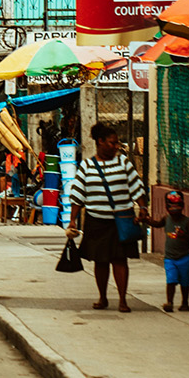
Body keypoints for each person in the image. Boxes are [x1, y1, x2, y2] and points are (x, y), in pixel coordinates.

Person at [70, 121, 147, 312]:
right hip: (97, 220)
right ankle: (102, 297)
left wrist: (143, 207)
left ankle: (122, 300)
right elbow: (78, 194)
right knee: (100, 261)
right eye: (112, 143)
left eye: (116, 143)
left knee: (120, 260)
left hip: (121, 219)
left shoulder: (124, 162)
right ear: (100, 142)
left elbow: (136, 186)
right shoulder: (87, 166)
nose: (115, 146)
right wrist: (72, 219)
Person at [160, 191, 189, 312]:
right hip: (170, 257)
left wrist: (183, 235)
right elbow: (157, 224)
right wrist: (146, 220)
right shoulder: (166, 219)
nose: (174, 212)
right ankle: (169, 302)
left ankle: (185, 302)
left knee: (185, 282)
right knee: (171, 280)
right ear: (167, 208)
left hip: (185, 257)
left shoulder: (187, 221)